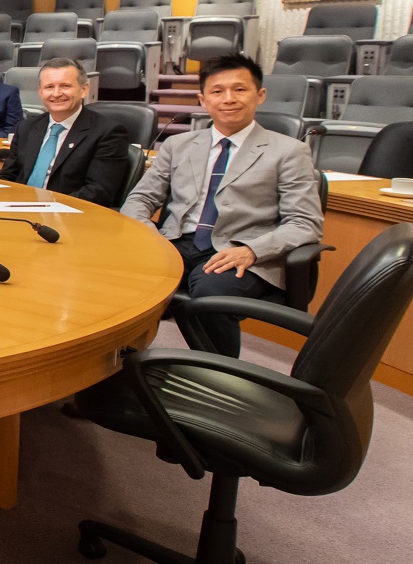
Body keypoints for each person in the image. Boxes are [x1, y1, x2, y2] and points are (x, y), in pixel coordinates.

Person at [121, 54, 322, 357]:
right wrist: (149, 234)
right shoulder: (178, 145)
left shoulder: (289, 151)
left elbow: (305, 222)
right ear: (203, 99)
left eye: (239, 90)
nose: (228, 99)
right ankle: (118, 370)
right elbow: (139, 199)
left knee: (210, 287)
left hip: (242, 250)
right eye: (217, 91)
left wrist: (253, 250)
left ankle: (219, 377)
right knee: (116, 273)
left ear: (260, 95)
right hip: (176, 242)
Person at [0, 58, 132, 208]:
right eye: (49, 87)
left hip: (71, 217)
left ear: (84, 89)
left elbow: (99, 192)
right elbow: (7, 176)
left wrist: (45, 206)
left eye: (65, 86)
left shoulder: (107, 133)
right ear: (40, 92)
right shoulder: (26, 127)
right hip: (19, 212)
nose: (56, 93)